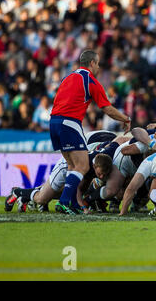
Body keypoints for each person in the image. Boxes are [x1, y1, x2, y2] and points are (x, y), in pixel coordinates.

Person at [49, 50, 131, 214]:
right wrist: (125, 118)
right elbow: (107, 108)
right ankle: (64, 201)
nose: (99, 67)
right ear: (92, 63)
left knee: (72, 165)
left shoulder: (68, 77)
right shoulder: (90, 80)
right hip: (69, 122)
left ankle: (72, 203)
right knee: (83, 165)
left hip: (54, 121)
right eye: (98, 63)